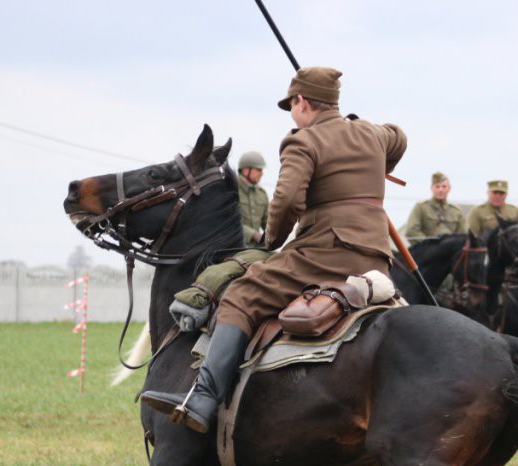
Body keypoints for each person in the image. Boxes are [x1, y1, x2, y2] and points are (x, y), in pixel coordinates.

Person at [141, 66, 407, 432]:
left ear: (301, 101)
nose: (291, 112)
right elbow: (399, 136)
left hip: (323, 255)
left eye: (291, 104)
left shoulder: (302, 141)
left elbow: (286, 203)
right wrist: (359, 131)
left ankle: (202, 398)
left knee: (240, 295)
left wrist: (272, 243)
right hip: (377, 257)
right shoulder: (372, 134)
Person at [401, 172, 466, 240]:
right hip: (426, 248)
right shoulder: (421, 208)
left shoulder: (456, 211)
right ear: (432, 188)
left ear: (449, 189)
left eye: (444, 186)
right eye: (437, 186)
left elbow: (463, 235)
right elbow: (411, 231)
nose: (440, 190)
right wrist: (430, 244)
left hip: (451, 249)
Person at [237, 151, 269, 246]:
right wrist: (253, 234)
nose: (262, 173)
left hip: (257, 248)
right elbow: (225, 221)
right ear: (246, 170)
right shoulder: (230, 191)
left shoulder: (262, 194)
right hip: (233, 246)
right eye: (259, 170)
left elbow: (267, 223)